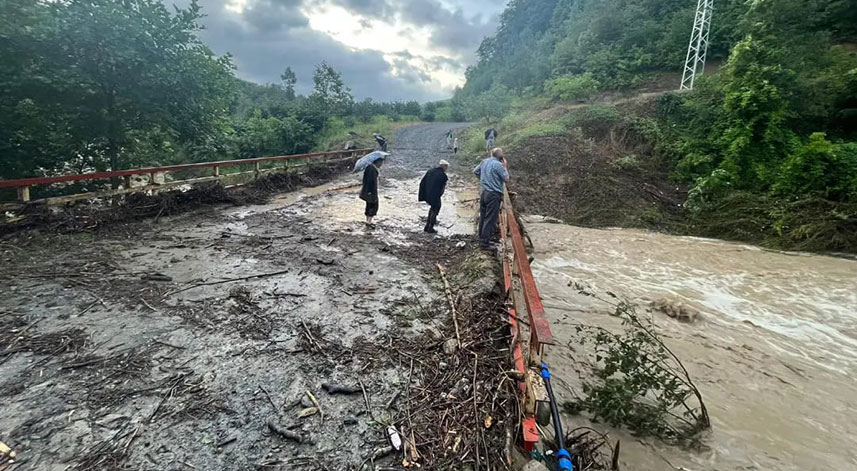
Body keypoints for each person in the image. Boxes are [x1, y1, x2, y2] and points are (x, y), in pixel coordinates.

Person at [473, 148, 509, 249]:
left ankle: (482, 238)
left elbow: (475, 171)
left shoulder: (484, 162)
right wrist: (505, 167)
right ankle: (484, 243)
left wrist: (483, 180)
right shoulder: (498, 165)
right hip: (494, 194)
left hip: (484, 192)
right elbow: (506, 179)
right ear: (500, 156)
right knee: (490, 219)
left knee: (483, 217)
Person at [418, 160, 449, 234]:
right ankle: (430, 227)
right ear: (444, 166)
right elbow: (442, 188)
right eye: (446, 167)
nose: (446, 169)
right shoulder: (443, 175)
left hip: (427, 193)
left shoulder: (430, 171)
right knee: (436, 209)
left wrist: (424, 193)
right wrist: (439, 196)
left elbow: (423, 182)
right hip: (435, 195)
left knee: (432, 208)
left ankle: (426, 226)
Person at [360, 157, 384, 226]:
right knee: (373, 205)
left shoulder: (370, 168)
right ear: (377, 162)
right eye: (381, 162)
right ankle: (369, 221)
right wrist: (369, 191)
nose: (381, 164)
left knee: (369, 205)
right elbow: (370, 181)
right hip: (371, 190)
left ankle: (368, 220)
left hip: (369, 190)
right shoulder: (372, 169)